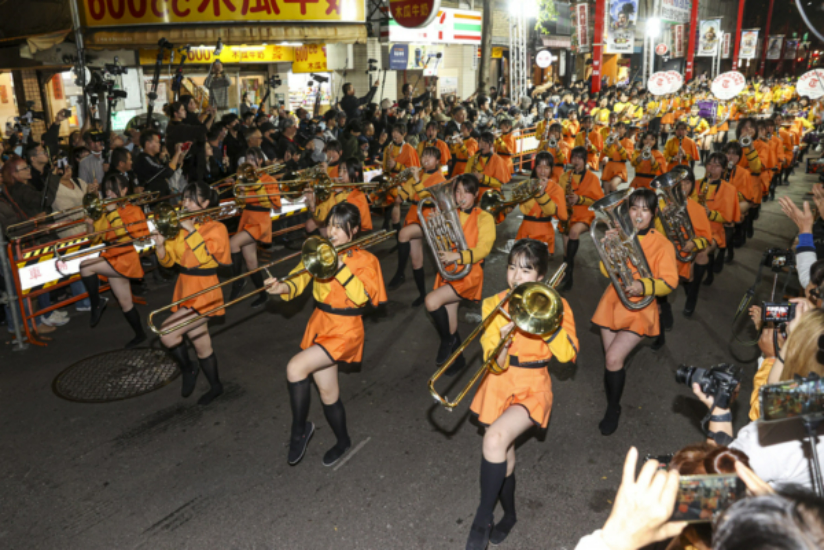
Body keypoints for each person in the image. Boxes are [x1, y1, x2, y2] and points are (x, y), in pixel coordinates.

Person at [464, 240, 578, 550]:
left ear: (540, 277)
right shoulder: (492, 304)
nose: (516, 276)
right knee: (503, 454)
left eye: (526, 270)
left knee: (494, 439)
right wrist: (502, 342)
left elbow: (568, 356)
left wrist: (544, 323)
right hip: (498, 383)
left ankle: (481, 520)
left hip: (533, 385)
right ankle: (510, 515)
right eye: (512, 267)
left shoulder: (557, 305)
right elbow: (495, 364)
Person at [265, 203, 387, 466]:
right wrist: (281, 288)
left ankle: (300, 431)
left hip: (345, 330)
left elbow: (362, 298)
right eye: (330, 224)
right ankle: (343, 441)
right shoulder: (319, 251)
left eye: (339, 227)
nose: (332, 231)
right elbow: (298, 281)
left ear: (353, 230)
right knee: (328, 393)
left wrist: (341, 267)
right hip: (321, 324)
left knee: (295, 368)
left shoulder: (367, 260)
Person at [591, 188, 678, 435]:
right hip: (613, 301)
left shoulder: (662, 244)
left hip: (640, 308)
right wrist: (607, 249)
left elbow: (670, 283)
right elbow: (605, 271)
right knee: (612, 361)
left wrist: (643, 285)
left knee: (613, 359)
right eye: (633, 208)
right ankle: (612, 399)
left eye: (645, 210)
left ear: (654, 214)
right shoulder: (619, 235)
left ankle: (613, 407)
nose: (638, 214)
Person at [154, 181, 231, 406]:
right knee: (201, 344)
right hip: (185, 287)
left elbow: (208, 258)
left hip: (206, 291)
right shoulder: (181, 227)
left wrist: (190, 229)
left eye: (190, 198)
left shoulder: (217, 228)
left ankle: (189, 368)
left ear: (205, 203)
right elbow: (170, 262)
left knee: (167, 333)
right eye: (184, 198)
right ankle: (216, 386)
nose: (184, 203)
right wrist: (160, 245)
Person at [424, 174, 495, 372]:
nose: (460, 196)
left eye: (466, 191)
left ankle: (446, 341)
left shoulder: (484, 217)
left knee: (431, 301)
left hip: (469, 273)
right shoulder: (449, 214)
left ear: (476, 194)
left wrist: (459, 257)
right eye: (457, 191)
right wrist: (436, 227)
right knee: (450, 314)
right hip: (450, 271)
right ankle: (458, 359)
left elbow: (484, 249)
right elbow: (443, 244)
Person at [77, 174, 149, 348]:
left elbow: (129, 235)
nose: (109, 193)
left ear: (124, 190)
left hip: (125, 257)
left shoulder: (133, 210)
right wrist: (89, 224)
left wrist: (113, 212)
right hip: (112, 255)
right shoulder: (106, 210)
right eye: (107, 189)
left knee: (86, 266)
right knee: (125, 303)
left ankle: (97, 303)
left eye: (113, 189)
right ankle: (140, 334)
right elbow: (95, 239)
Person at [386, 146, 446, 304]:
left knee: (403, 234)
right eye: (424, 155)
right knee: (416, 261)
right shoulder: (417, 173)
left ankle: (400, 273)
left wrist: (417, 180)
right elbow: (406, 191)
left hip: (427, 218)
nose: (425, 159)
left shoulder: (440, 178)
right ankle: (422, 294)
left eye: (430, 157)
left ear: (438, 161)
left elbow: (426, 197)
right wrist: (398, 196)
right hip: (413, 215)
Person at [228, 147, 281, 307]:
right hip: (247, 219)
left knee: (233, 243)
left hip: (260, 221)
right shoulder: (244, 180)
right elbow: (241, 204)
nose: (249, 163)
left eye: (252, 159)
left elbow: (273, 205)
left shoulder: (268, 179)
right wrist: (241, 190)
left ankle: (238, 281)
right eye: (247, 159)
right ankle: (263, 294)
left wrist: (257, 184)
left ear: (260, 160)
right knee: (251, 262)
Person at [558, 147, 604, 291]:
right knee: (565, 248)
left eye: (579, 158)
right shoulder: (565, 176)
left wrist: (580, 199)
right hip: (568, 214)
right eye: (574, 157)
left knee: (573, 232)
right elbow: (558, 196)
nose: (576, 161)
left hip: (585, 215)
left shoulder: (592, 178)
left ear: (585, 160)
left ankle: (569, 273)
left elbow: (598, 201)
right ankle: (567, 268)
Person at [668, 169, 713, 318]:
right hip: (666, 249)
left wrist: (694, 243)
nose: (682, 187)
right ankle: (664, 312)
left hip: (686, 248)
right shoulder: (662, 205)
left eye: (687, 183)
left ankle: (692, 294)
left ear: (692, 185)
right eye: (678, 183)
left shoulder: (697, 208)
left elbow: (705, 237)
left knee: (700, 258)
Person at [693, 152, 741, 285]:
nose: (712, 168)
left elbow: (727, 218)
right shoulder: (695, 184)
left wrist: (710, 214)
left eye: (717, 165)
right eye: (709, 164)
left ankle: (694, 288)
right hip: (694, 227)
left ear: (723, 169)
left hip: (715, 229)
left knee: (702, 253)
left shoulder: (729, 189)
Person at [506, 151, 566, 256]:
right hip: (525, 230)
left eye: (546, 167)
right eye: (539, 167)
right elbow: (510, 204)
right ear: (534, 167)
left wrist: (541, 194)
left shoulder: (557, 189)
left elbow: (552, 211)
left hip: (544, 233)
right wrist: (506, 208)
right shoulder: (525, 185)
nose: (542, 171)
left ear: (551, 169)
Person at [382, 123, 421, 233]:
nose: (394, 134)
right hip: (391, 178)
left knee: (394, 196)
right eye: (393, 132)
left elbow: (412, 171)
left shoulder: (410, 149)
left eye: (397, 132)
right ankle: (390, 224)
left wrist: (396, 166)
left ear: (404, 134)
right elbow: (385, 167)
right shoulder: (388, 148)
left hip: (404, 181)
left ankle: (395, 226)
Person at [464, 132, 511, 196]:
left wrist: (483, 178)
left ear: (491, 145)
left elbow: (500, 183)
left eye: (485, 143)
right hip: (475, 193)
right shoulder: (472, 159)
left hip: (492, 194)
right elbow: (466, 177)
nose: (482, 145)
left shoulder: (499, 160)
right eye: (480, 142)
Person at [600, 122, 631, 193]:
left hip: (620, 167)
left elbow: (626, 156)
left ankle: (621, 198)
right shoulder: (610, 138)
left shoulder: (628, 141)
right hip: (609, 167)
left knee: (613, 185)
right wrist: (609, 144)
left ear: (625, 130)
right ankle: (614, 203)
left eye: (620, 128)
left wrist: (618, 144)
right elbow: (604, 151)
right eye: (616, 128)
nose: (618, 130)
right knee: (606, 192)